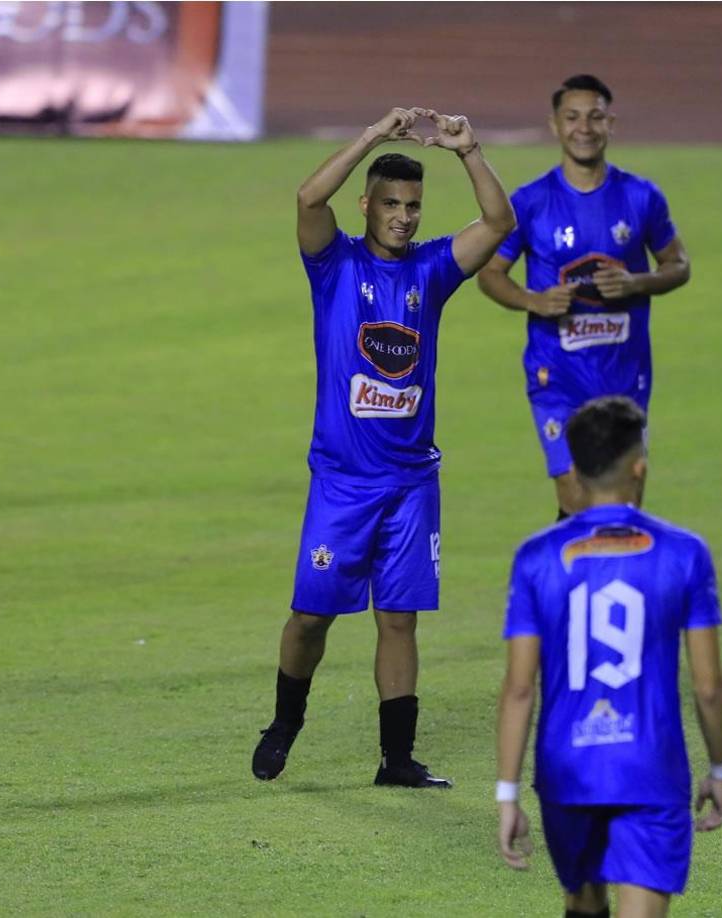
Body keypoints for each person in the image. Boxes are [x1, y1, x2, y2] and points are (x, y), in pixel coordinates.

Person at [251, 107, 515, 789]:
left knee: (398, 620)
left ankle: (396, 760)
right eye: (391, 203)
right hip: (341, 482)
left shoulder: (431, 270)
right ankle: (284, 722)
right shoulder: (332, 264)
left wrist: (468, 148)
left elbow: (496, 225)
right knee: (311, 617)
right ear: (366, 204)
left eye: (414, 206)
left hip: (410, 483)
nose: (403, 216)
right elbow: (308, 197)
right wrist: (371, 135)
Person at [495, 396, 722, 917]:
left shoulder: (536, 557)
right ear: (639, 467)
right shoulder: (683, 552)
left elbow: (519, 688)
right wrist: (720, 766)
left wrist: (507, 792)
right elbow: (709, 686)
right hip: (649, 767)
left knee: (582, 902)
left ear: (574, 475)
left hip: (567, 767)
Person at [477, 75, 692, 520]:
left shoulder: (641, 196)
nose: (585, 128)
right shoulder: (531, 202)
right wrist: (533, 301)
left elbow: (678, 265)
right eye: (572, 117)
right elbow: (491, 274)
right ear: (554, 125)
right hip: (557, 376)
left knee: (622, 507)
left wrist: (637, 283)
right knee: (576, 498)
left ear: (611, 124)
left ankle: (585, 577)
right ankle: (571, 580)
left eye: (595, 117)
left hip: (624, 376)